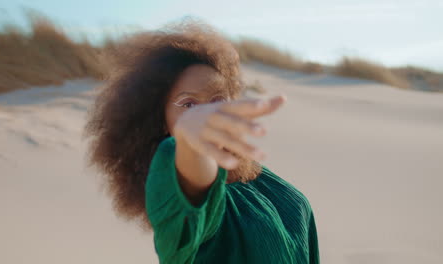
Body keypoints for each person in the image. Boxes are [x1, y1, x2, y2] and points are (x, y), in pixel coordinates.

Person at [84, 20, 320, 264]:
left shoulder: (254, 175)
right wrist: (188, 138)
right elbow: (196, 181)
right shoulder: (175, 194)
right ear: (160, 121)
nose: (208, 113)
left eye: (218, 99)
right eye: (188, 104)